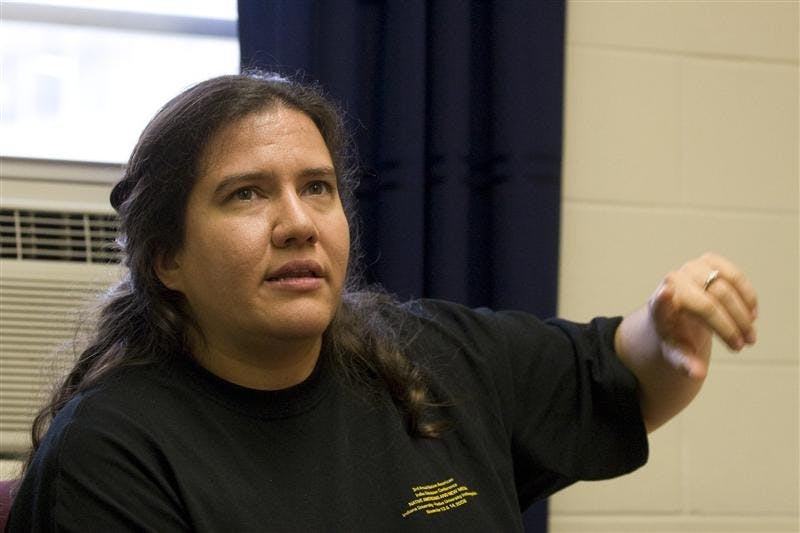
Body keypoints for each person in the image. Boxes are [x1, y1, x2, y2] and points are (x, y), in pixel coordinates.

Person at [6, 72, 758, 532]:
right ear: (166, 257)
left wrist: (669, 333)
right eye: (246, 194)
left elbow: (620, 378)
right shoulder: (110, 455)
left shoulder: (433, 356)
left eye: (317, 187)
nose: (298, 221)